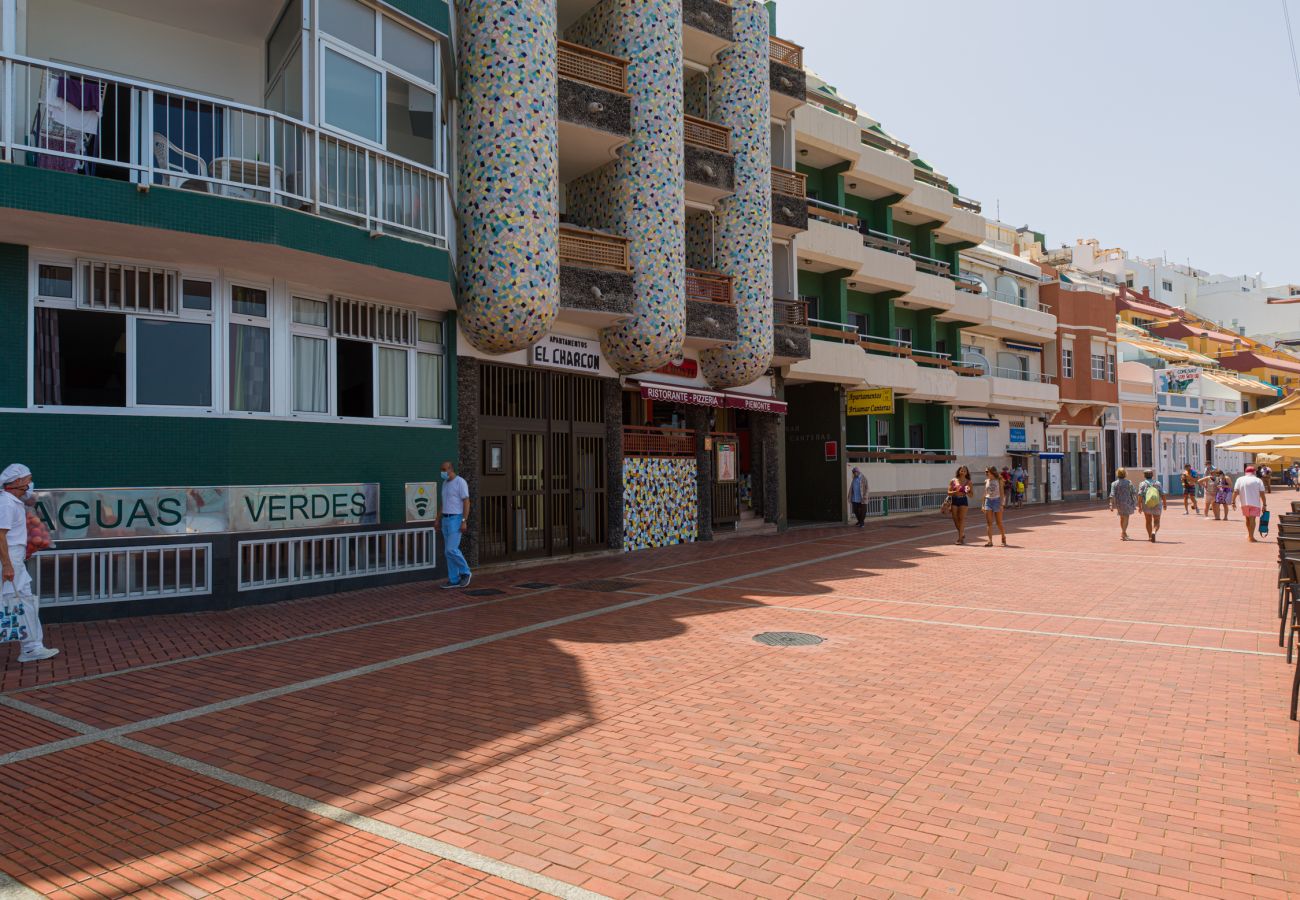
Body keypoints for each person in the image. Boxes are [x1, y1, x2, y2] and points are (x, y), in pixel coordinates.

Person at [0, 464, 58, 663]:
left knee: (24, 600)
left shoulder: (13, 502)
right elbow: (1, 536)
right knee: (18, 600)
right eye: (28, 479)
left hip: (14, 558)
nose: (30, 484)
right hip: (9, 559)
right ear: (17, 482)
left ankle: (32, 647)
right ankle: (32, 647)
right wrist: (7, 565)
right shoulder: (6, 503)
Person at [434, 460, 472, 589]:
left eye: (444, 469)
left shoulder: (460, 482)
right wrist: (437, 519)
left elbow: (466, 502)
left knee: (451, 549)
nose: (442, 472)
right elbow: (443, 503)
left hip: (456, 519)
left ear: (451, 469)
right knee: (447, 552)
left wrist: (464, 520)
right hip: (445, 519)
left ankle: (465, 572)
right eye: (441, 470)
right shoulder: (444, 483)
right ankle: (453, 579)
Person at [1232, 465, 1269, 543]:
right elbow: (1262, 493)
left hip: (1244, 503)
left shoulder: (1240, 479)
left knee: (1247, 519)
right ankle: (1251, 537)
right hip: (1255, 503)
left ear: (1246, 472)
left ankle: (1249, 535)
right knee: (1252, 519)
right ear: (1254, 472)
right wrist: (1264, 504)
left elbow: (1235, 491)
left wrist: (1233, 502)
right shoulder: (1258, 480)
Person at [1136, 469, 1167, 541]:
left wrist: (1139, 506)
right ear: (1152, 475)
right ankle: (1154, 531)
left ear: (1144, 476)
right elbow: (1163, 494)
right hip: (1157, 504)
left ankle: (1150, 536)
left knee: (1148, 521)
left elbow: (1140, 495)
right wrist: (1165, 504)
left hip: (1146, 504)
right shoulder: (1158, 483)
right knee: (1157, 520)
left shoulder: (1142, 484)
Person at [1108, 467, 1138, 541]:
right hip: (1127, 502)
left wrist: (1111, 504)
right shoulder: (1128, 482)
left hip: (1119, 503)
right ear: (1125, 474)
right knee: (1126, 517)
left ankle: (1124, 532)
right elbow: (1134, 491)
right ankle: (1123, 532)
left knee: (1122, 517)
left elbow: (1112, 494)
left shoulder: (1114, 483)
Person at [947, 466, 973, 545]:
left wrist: (968, 491)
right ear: (959, 471)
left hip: (963, 500)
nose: (963, 472)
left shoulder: (968, 482)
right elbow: (948, 492)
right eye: (961, 470)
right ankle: (962, 533)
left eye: (965, 471)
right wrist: (955, 492)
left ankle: (960, 539)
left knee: (961, 519)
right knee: (955, 518)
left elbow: (971, 495)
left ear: (967, 472)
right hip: (954, 499)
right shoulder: (953, 480)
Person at [983, 466, 1007, 547]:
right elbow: (985, 493)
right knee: (989, 523)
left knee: (998, 522)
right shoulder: (986, 481)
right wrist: (983, 504)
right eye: (985, 472)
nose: (986, 473)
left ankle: (1003, 537)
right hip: (988, 501)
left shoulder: (999, 480)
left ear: (992, 472)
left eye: (987, 471)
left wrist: (1002, 504)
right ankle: (990, 541)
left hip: (997, 501)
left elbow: (1002, 493)